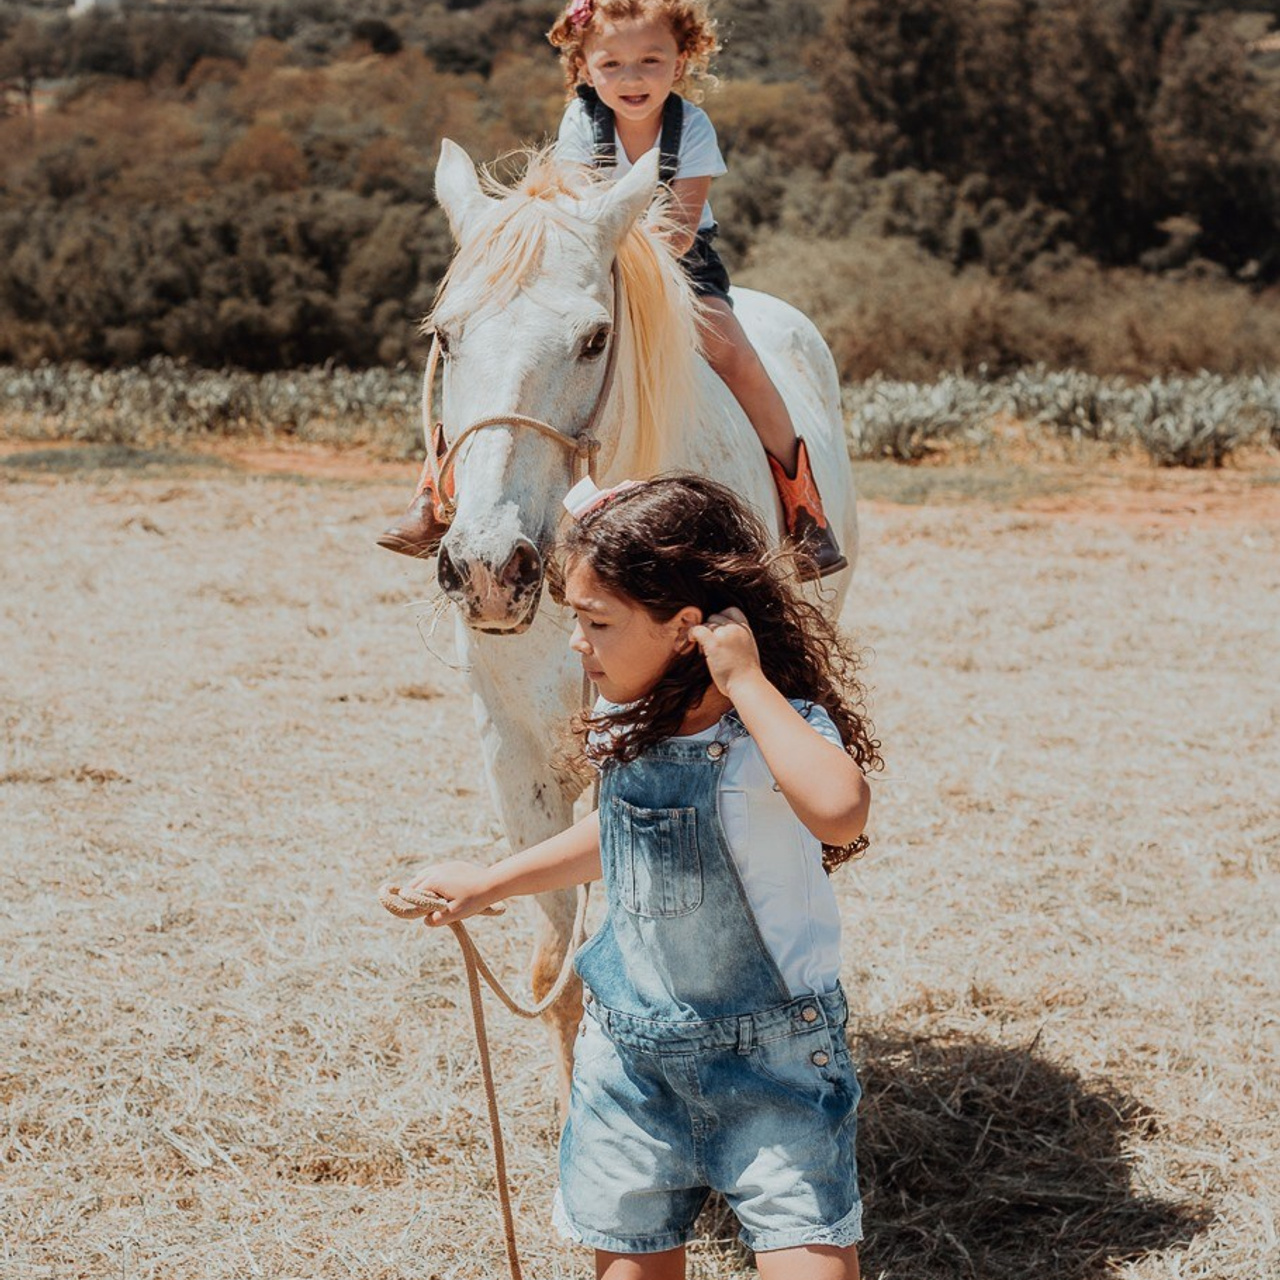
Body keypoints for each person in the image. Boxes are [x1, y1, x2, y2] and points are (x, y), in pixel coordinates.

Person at [401, 475, 881, 1279]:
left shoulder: (772, 727)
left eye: (595, 623)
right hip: (629, 1063)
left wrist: (748, 682)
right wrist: (490, 883)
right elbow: (621, 836)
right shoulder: (631, 723)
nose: (576, 644)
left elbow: (840, 810)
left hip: (774, 1064)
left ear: (687, 628)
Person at [377, 0, 846, 580]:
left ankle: (803, 507)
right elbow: (575, 204)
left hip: (680, 266)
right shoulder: (581, 123)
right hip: (589, 262)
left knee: (737, 357)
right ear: (585, 69)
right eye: (613, 63)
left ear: (680, 64)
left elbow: (677, 227)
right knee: (500, 346)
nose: (632, 77)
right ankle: (436, 493)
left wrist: (630, 260)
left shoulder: (692, 127)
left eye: (651, 60)